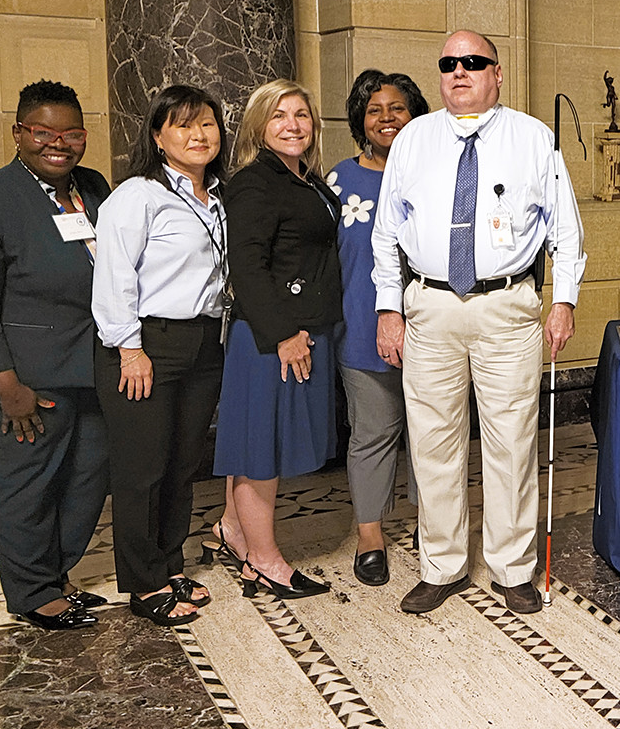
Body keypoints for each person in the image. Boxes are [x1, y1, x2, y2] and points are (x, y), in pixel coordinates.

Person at [373, 30, 586, 615]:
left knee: (511, 440)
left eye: (473, 62)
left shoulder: (532, 139)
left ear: (497, 73)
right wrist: (388, 308)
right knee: (433, 441)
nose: (459, 72)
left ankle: (512, 566)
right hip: (431, 307)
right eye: (449, 64)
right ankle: (441, 565)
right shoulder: (414, 139)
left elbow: (564, 233)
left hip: (506, 307)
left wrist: (563, 301)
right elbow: (386, 235)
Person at [0, 81, 110, 629]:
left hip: (87, 363)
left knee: (89, 473)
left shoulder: (91, 187)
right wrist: (7, 389)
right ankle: (32, 591)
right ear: (19, 134)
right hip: (19, 377)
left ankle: (57, 574)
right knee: (29, 479)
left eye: (70, 133)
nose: (57, 144)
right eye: (43, 133)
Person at [92, 86, 228, 626]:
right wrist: (130, 349)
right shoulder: (137, 195)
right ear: (157, 136)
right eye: (183, 125)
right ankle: (144, 583)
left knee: (182, 464)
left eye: (208, 125)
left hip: (204, 340)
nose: (199, 136)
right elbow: (113, 276)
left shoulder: (217, 197)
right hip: (146, 343)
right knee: (141, 468)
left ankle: (169, 564)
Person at [210, 79, 341, 600]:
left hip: (298, 329)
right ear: (259, 126)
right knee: (260, 449)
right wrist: (285, 333)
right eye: (280, 116)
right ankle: (263, 561)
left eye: (302, 115)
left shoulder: (304, 178)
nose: (293, 125)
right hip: (271, 337)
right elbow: (247, 266)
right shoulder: (254, 183)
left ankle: (232, 528)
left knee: (252, 440)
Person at [328, 70, 430, 586]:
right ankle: (370, 535)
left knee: (433, 433)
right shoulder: (339, 181)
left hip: (433, 328)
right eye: (374, 110)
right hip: (362, 327)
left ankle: (429, 525)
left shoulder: (435, 174)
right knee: (372, 433)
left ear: (416, 115)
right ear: (360, 121)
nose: (386, 118)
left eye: (397, 108)